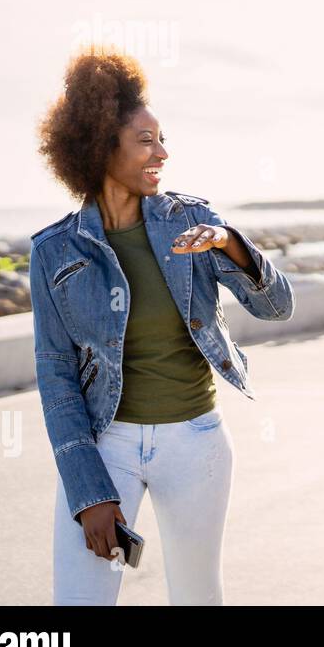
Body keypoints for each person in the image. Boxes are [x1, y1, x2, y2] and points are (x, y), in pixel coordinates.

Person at [30, 45, 294, 605]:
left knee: (198, 597)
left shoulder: (194, 220)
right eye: (147, 141)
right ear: (102, 148)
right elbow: (55, 376)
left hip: (195, 441)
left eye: (163, 138)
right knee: (78, 601)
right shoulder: (53, 251)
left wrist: (233, 244)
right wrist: (87, 488)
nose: (163, 153)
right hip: (107, 446)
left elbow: (277, 307)